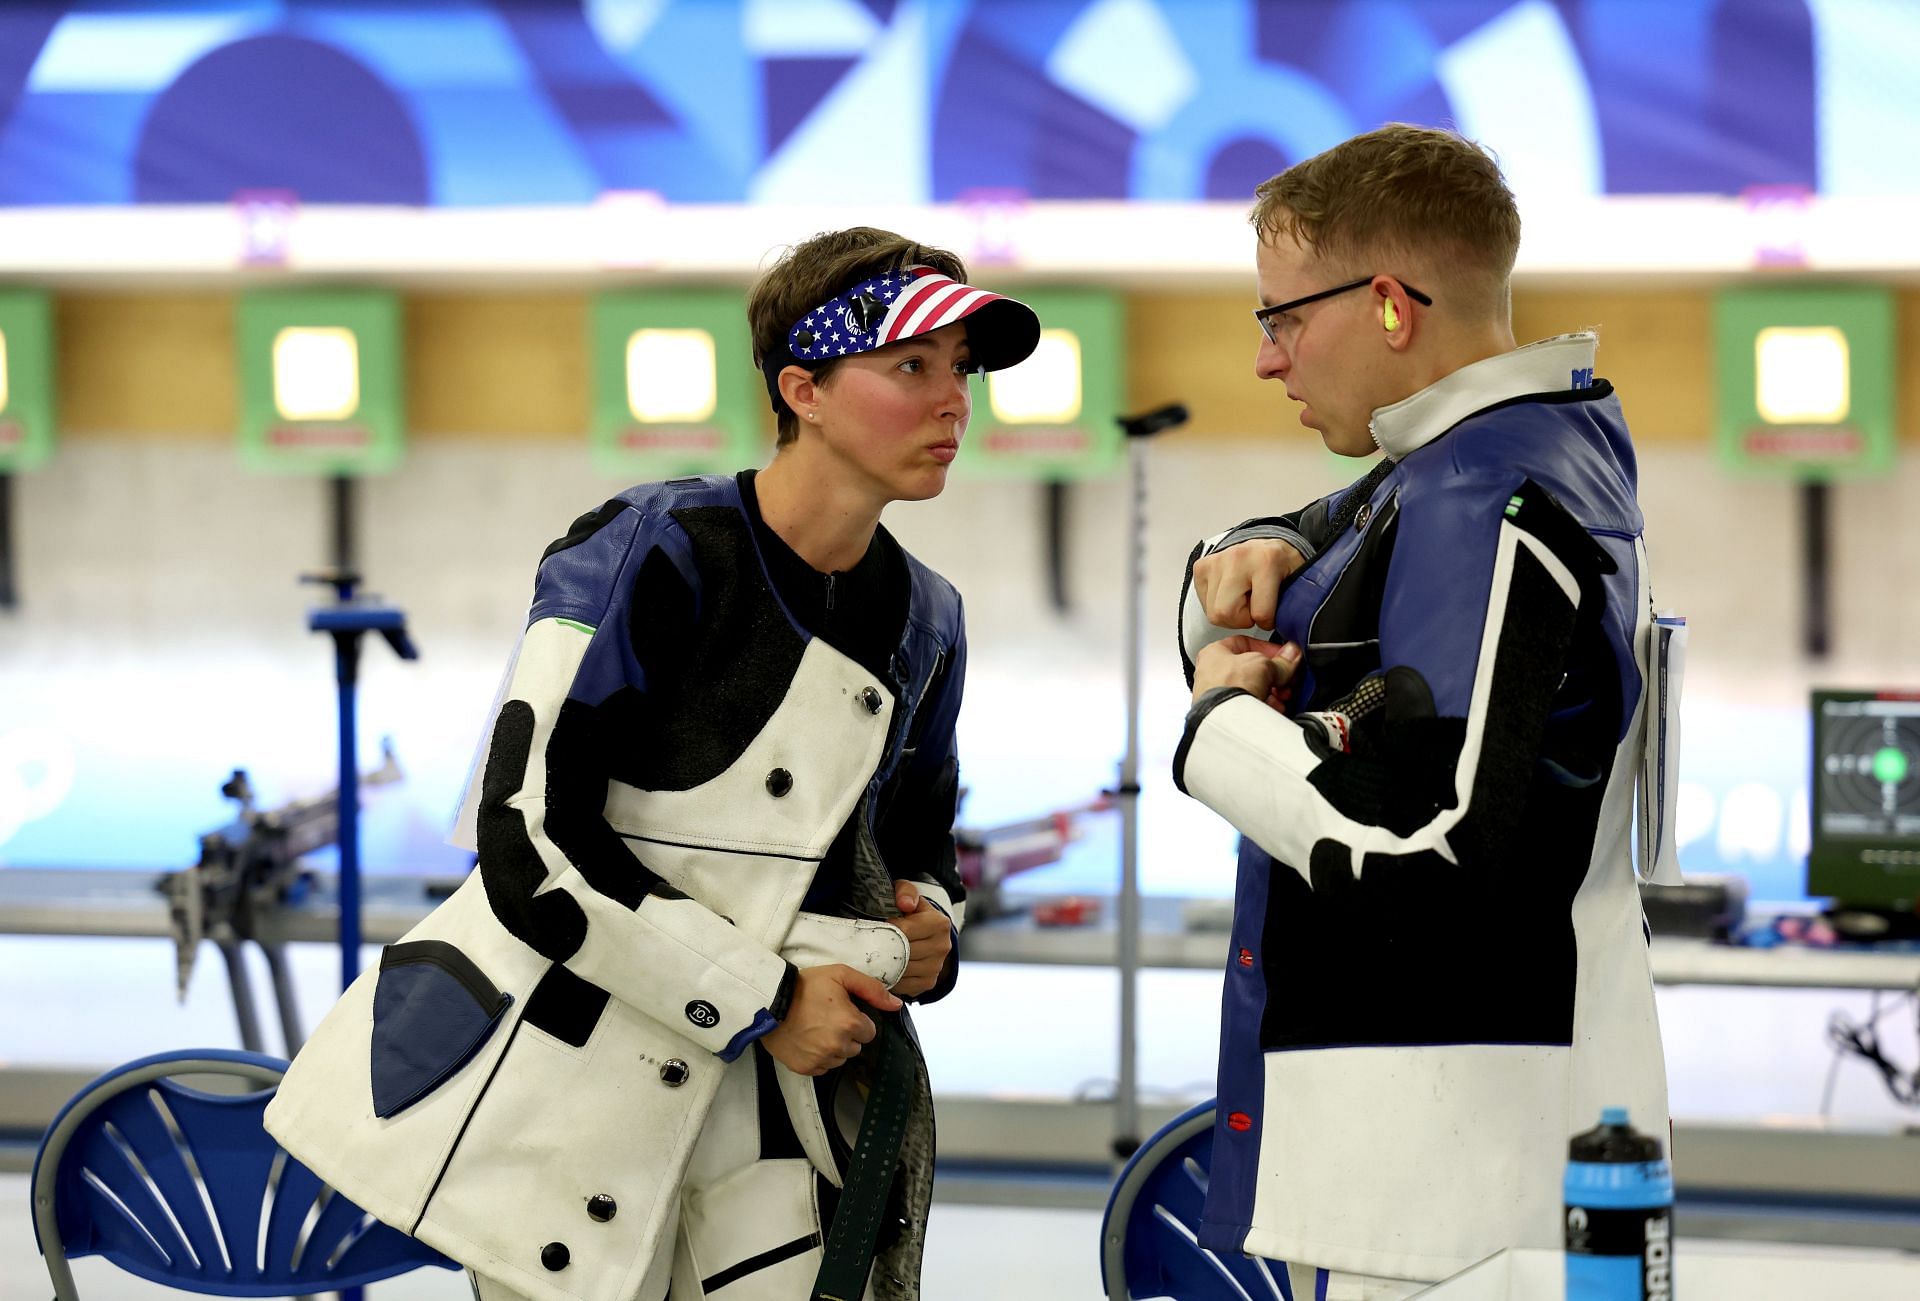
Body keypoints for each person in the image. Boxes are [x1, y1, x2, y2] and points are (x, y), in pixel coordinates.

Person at [264, 227, 1040, 1301]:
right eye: (913, 366)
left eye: (962, 370)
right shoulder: (648, 546)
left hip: (780, 1118)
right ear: (802, 387)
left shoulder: (930, 618)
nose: (955, 400)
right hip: (571, 1087)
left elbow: (920, 839)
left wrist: (932, 923)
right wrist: (769, 998)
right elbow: (528, 835)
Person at [1173, 125, 1672, 1299]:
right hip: (1465, 1157)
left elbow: (1434, 859)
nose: (1267, 359)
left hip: (1436, 1197)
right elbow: (1358, 523)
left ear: (1391, 305)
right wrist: (1273, 541)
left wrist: (1216, 732)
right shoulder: (1538, 445)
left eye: (1281, 318)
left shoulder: (1480, 494)